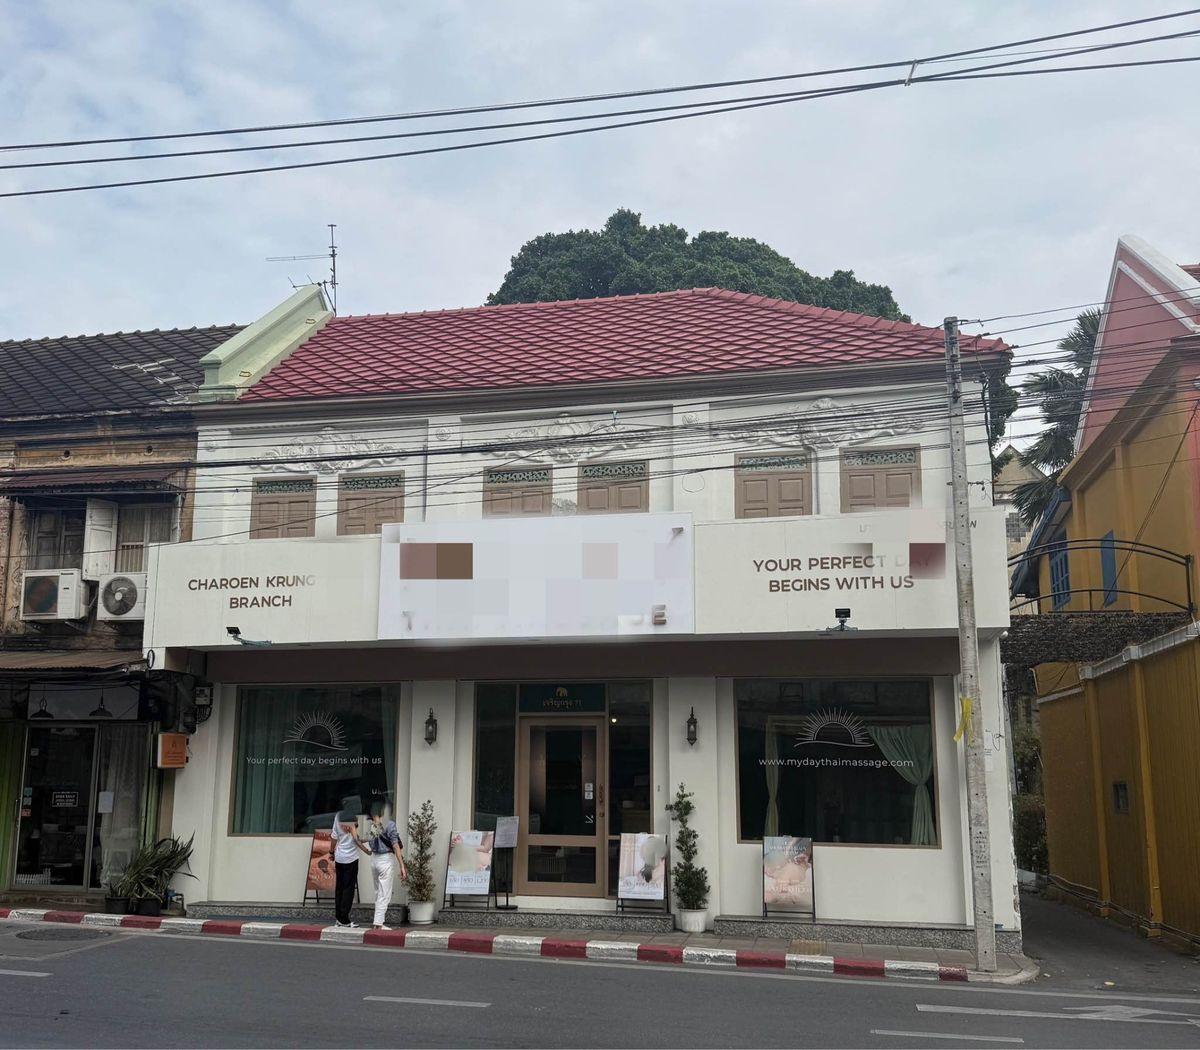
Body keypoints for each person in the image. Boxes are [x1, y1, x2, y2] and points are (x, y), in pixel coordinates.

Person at [364, 804, 408, 930]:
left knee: (378, 892)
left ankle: (377, 922)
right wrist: (402, 866)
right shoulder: (390, 824)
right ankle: (378, 923)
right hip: (385, 859)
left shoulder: (370, 824)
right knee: (384, 893)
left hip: (374, 859)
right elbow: (395, 845)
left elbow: (364, 840)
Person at [331, 810, 368, 928]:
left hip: (339, 857)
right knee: (348, 889)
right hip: (351, 858)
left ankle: (339, 918)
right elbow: (356, 839)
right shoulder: (352, 817)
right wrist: (367, 851)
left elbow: (334, 837)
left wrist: (331, 852)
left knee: (339, 888)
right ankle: (344, 919)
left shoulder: (338, 816)